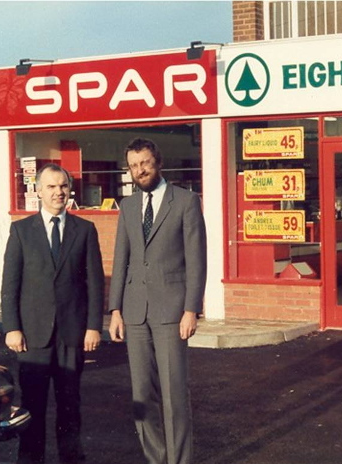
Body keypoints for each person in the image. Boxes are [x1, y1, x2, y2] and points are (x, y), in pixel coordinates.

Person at [109, 138, 207, 464]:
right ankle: (157, 458)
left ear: (158, 162)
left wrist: (191, 309)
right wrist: (116, 310)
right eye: (135, 165)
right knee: (141, 396)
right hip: (135, 312)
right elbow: (120, 259)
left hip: (171, 311)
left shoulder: (185, 202)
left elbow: (196, 260)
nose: (141, 170)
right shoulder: (127, 206)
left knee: (173, 394)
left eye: (146, 163)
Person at [1, 163, 105, 464]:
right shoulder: (21, 231)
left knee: (70, 404)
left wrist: (93, 326)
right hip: (32, 336)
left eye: (63, 186)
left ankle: (71, 458)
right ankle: (31, 460)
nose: (58, 192)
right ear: (38, 191)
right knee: (32, 404)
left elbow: (95, 283)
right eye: (51, 186)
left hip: (72, 334)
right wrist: (12, 327)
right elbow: (11, 283)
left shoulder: (84, 230)